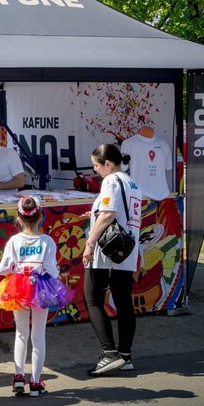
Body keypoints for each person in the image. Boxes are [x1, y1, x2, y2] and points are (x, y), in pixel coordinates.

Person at [82, 144, 142, 376]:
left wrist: (89, 244)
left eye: (96, 165)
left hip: (106, 251)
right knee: (123, 301)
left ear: (107, 163)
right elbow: (119, 213)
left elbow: (108, 214)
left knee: (92, 298)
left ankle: (109, 354)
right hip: (126, 250)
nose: (95, 170)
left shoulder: (111, 181)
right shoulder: (131, 181)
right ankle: (125, 356)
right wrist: (95, 214)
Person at [0, 196, 62, 396]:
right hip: (41, 287)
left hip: (18, 287)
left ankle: (18, 376)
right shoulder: (47, 241)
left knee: (21, 333)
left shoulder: (14, 241)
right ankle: (35, 382)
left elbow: (4, 268)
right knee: (38, 334)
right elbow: (52, 270)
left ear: (19, 218)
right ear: (40, 216)